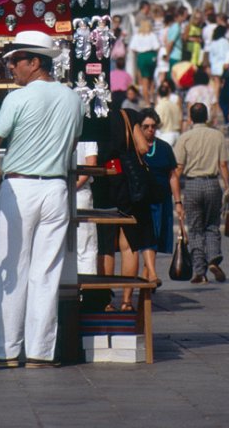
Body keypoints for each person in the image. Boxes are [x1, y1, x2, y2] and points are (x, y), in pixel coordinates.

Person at [0, 31, 84, 368]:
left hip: (20, 189)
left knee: (12, 270)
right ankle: (41, 352)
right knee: (46, 273)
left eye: (16, 60)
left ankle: (8, 351)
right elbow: (72, 144)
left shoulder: (18, 98)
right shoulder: (74, 99)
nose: (11, 66)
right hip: (56, 188)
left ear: (35, 62)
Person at [91, 108, 158, 311]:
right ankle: (127, 300)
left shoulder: (91, 117)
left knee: (106, 244)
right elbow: (143, 147)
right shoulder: (126, 114)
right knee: (129, 243)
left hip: (103, 179)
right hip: (127, 182)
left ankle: (106, 300)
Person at [174, 103, 229, 284]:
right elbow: (223, 164)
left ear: (190, 118)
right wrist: (227, 186)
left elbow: (179, 168)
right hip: (212, 183)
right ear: (206, 117)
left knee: (196, 228)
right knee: (212, 225)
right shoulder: (217, 136)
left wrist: (174, 192)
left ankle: (200, 271)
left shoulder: (185, 138)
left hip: (192, 185)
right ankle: (214, 258)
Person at [137, 109, 184, 283]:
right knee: (146, 236)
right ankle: (152, 273)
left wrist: (178, 202)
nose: (150, 130)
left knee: (155, 237)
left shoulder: (164, 148)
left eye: (153, 126)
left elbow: (172, 175)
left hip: (160, 199)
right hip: (141, 199)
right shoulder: (134, 147)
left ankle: (147, 273)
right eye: (146, 126)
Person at [76, 142, 98, 275]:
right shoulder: (88, 128)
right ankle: (88, 292)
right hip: (80, 189)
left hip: (55, 187)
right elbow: (91, 162)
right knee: (85, 247)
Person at [129, 19, 159, 106]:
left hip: (141, 56)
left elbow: (133, 48)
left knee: (144, 81)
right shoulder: (152, 35)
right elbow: (157, 47)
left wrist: (138, 54)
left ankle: (147, 103)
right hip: (151, 56)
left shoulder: (137, 36)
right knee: (152, 80)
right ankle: (153, 99)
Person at [155, 81, 182, 146]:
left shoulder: (160, 105)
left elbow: (159, 122)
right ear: (168, 93)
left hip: (166, 135)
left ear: (158, 93)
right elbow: (180, 119)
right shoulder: (175, 105)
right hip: (177, 135)